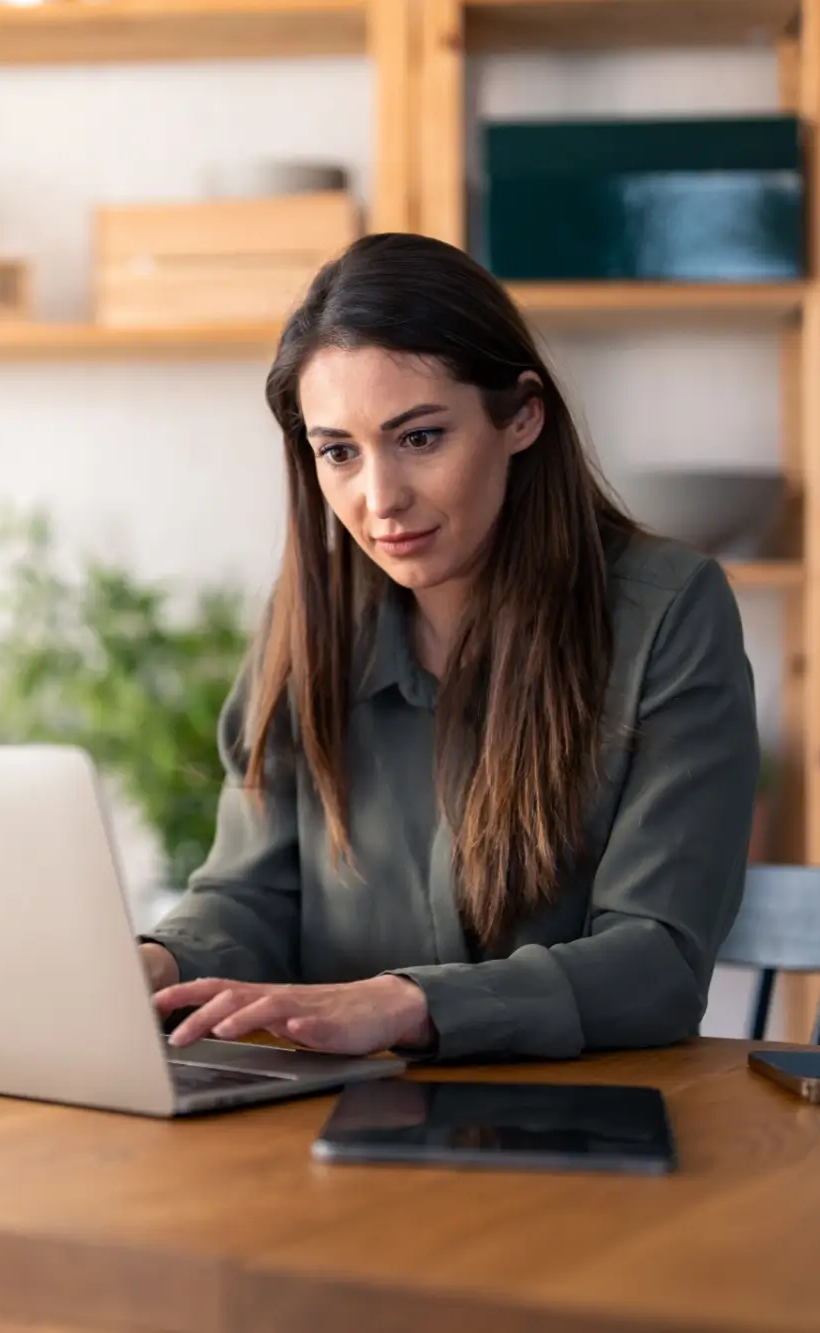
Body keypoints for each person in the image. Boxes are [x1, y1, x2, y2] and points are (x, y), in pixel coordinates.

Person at [138, 233, 760, 1061]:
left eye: (421, 437)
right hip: (331, 1125)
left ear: (523, 415)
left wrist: (407, 1004)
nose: (380, 498)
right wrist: (158, 962)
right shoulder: (308, 619)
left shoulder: (669, 615)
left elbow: (658, 961)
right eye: (338, 452)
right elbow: (250, 896)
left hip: (579, 1133)